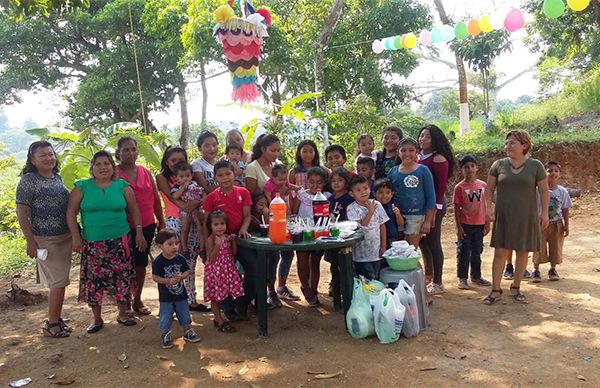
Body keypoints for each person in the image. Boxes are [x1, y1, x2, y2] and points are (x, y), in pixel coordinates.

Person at [66, 150, 147, 333]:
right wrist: (76, 237)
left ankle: (123, 313)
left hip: (120, 241)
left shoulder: (122, 186)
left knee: (122, 277)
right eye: (98, 164)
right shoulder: (82, 187)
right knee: (94, 280)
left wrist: (140, 233)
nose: (103, 167)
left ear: (113, 167)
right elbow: (71, 212)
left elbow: (134, 211)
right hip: (93, 243)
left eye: (107, 164)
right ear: (92, 168)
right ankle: (97, 318)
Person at [484, 130, 550, 305]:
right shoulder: (498, 165)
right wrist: (488, 208)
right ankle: (496, 289)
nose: (507, 146)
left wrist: (544, 213)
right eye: (506, 143)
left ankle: (516, 287)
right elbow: (489, 189)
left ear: (524, 145)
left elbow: (544, 190)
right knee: (500, 253)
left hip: (526, 216)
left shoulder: (536, 166)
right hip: (504, 216)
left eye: (512, 143)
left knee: (523, 252)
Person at [15, 141, 73, 337]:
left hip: (64, 237)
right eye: (43, 155)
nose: (49, 158)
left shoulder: (56, 178)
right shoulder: (28, 181)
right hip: (45, 240)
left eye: (50, 154)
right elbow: (21, 212)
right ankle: (51, 323)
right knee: (58, 281)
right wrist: (30, 240)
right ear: (32, 160)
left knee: (61, 280)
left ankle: (56, 318)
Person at [245, 135, 300, 301]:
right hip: (265, 220)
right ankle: (270, 291)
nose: (276, 153)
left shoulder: (277, 165)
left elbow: (286, 186)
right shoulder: (252, 168)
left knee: (288, 252)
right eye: (272, 150)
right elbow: (251, 194)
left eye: (278, 150)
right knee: (271, 256)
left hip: (284, 215)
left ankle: (281, 286)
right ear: (263, 149)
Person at [155, 146, 209, 313]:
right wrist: (189, 206)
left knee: (189, 264)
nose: (177, 163)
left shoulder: (189, 175)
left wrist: (196, 206)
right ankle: (173, 302)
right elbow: (173, 199)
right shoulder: (162, 177)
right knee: (173, 264)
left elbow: (202, 194)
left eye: (181, 159)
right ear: (166, 161)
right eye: (173, 160)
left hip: (192, 222)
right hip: (174, 223)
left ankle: (191, 300)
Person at [116, 136, 165, 316]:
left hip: (146, 225)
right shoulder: (113, 172)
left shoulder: (145, 171)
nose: (130, 153)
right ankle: (124, 303)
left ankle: (137, 299)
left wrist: (161, 221)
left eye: (133, 149)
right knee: (123, 265)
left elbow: (155, 199)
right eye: (126, 150)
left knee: (140, 263)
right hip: (121, 226)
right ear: (118, 152)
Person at [202, 160, 253, 320]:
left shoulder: (243, 192)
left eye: (228, 174)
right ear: (215, 177)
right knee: (222, 276)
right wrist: (206, 247)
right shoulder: (211, 198)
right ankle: (228, 308)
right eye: (220, 175)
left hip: (239, 240)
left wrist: (243, 229)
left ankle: (243, 301)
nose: (225, 178)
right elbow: (205, 224)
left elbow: (247, 216)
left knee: (254, 269)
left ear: (234, 174)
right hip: (219, 245)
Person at [418, 124, 455, 295]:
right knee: (423, 242)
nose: (422, 139)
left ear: (435, 139)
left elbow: (440, 189)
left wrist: (432, 212)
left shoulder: (438, 158)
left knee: (433, 242)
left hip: (434, 206)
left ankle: (438, 281)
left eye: (427, 136)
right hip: (421, 206)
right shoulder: (419, 156)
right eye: (421, 135)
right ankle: (429, 275)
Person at [152, 228, 201, 348]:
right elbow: (155, 277)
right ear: (160, 246)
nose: (174, 247)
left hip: (181, 295)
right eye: (170, 244)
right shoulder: (158, 262)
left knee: (184, 313)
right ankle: (165, 334)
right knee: (165, 316)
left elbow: (187, 271)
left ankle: (187, 331)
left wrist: (181, 277)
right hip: (166, 297)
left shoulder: (180, 258)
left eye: (176, 243)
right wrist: (167, 281)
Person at [388, 138, 436, 250]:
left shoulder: (423, 170)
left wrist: (428, 221)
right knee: (398, 251)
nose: (407, 153)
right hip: (397, 216)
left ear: (417, 152)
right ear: (398, 152)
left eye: (411, 150)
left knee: (410, 251)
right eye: (403, 150)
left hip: (416, 216)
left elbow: (431, 197)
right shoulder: (393, 172)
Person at [453, 155, 491, 290]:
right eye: (466, 167)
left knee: (477, 251)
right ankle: (462, 278)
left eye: (472, 166)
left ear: (477, 168)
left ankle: (476, 276)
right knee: (463, 251)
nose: (469, 169)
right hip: (465, 224)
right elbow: (457, 208)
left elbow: (486, 205)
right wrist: (458, 227)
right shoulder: (459, 187)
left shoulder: (483, 185)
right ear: (461, 170)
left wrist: (487, 222)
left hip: (479, 224)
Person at [295, 167, 331, 306]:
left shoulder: (327, 196)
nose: (315, 186)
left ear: (324, 183)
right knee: (302, 260)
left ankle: (314, 291)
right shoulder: (302, 195)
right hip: (303, 233)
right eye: (312, 182)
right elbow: (294, 212)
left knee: (315, 262)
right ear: (307, 181)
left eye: (319, 182)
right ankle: (305, 286)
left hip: (319, 234)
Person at [531, 161, 572, 283]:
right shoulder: (537, 191)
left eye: (556, 171)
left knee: (556, 247)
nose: (552, 173)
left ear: (559, 174)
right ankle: (536, 270)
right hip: (540, 224)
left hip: (556, 224)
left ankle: (552, 269)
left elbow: (565, 209)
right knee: (538, 247)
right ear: (544, 173)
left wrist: (566, 225)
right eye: (549, 170)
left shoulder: (562, 191)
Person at [205, 211, 245, 332]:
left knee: (223, 295)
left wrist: (232, 241)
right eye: (216, 224)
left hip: (227, 269)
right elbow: (211, 258)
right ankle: (218, 319)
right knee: (216, 297)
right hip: (216, 272)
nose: (219, 227)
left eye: (222, 224)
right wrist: (217, 245)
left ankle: (219, 318)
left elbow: (234, 253)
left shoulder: (226, 237)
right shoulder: (211, 239)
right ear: (210, 226)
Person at [347, 176, 389, 280]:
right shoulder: (351, 208)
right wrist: (370, 212)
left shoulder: (377, 204)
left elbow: (382, 226)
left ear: (370, 189)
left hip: (376, 251)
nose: (363, 192)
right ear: (352, 193)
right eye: (358, 190)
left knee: (377, 280)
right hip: (361, 254)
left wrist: (383, 247)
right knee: (366, 282)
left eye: (365, 188)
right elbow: (361, 227)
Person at [248, 192, 282, 308]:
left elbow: (271, 227)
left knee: (272, 265)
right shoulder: (251, 217)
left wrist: (267, 215)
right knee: (258, 272)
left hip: (270, 246)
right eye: (260, 204)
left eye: (265, 204)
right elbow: (258, 226)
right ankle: (255, 298)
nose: (263, 207)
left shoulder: (268, 214)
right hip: (256, 249)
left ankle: (271, 292)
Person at [326, 167, 354, 298]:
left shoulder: (349, 198)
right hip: (332, 237)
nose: (336, 183)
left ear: (346, 182)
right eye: (333, 181)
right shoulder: (330, 198)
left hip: (344, 237)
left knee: (346, 267)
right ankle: (336, 296)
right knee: (334, 267)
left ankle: (347, 294)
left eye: (340, 180)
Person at [171, 162, 204, 255]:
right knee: (185, 228)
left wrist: (202, 199)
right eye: (181, 176)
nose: (185, 178)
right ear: (176, 177)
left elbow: (202, 192)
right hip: (185, 211)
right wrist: (183, 188)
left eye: (187, 176)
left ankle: (202, 248)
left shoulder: (195, 184)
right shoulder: (177, 187)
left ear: (192, 175)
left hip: (197, 209)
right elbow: (175, 196)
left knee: (200, 228)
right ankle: (184, 248)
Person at [289, 140, 322, 214]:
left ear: (315, 153)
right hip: (300, 205)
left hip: (318, 204)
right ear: (299, 153)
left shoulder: (321, 170)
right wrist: (292, 211)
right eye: (304, 151)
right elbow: (290, 192)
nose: (308, 154)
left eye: (311, 151)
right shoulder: (294, 172)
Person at [374, 178, 404, 249]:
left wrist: (398, 214)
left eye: (387, 193)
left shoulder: (394, 205)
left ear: (392, 194)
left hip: (393, 238)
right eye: (381, 192)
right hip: (377, 239)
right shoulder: (373, 206)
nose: (384, 196)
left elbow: (401, 223)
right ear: (374, 194)